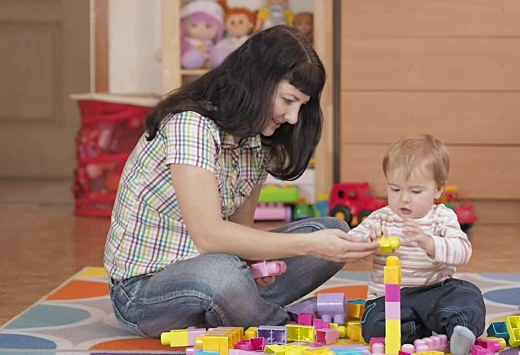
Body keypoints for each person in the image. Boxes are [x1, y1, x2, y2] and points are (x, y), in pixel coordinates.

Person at [103, 25, 380, 338]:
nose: (292, 117)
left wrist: (255, 261)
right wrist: (307, 245)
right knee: (224, 275)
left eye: (300, 106)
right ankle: (280, 324)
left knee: (335, 232)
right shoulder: (190, 125)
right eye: (288, 100)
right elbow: (210, 236)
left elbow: (239, 234)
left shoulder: (257, 141)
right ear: (257, 82)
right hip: (143, 293)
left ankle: (239, 311)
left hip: (215, 271)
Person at [348, 134, 486, 355]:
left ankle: (461, 331)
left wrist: (430, 243)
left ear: (438, 189)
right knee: (374, 322)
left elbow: (463, 251)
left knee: (468, 296)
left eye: (415, 191)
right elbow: (351, 246)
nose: (404, 199)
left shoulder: (442, 217)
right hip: (390, 298)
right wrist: (367, 243)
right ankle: (416, 331)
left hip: (436, 290)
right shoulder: (380, 218)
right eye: (395, 189)